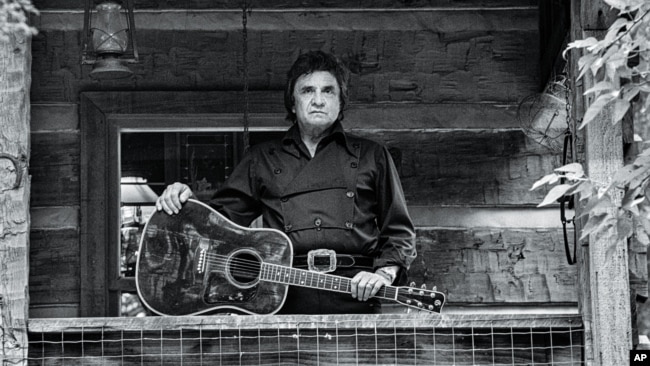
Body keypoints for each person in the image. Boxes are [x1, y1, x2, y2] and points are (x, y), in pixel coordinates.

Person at [156, 50, 416, 314]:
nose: (318, 100)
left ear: (341, 103)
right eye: (307, 91)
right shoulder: (263, 158)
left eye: (328, 91)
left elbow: (399, 230)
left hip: (354, 293)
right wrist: (184, 199)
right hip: (282, 295)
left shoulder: (373, 155)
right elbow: (219, 224)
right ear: (292, 103)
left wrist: (383, 275)